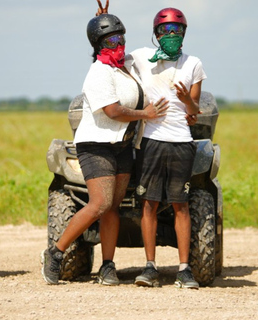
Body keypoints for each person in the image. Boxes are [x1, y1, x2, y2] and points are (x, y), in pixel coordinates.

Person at [41, 11, 169, 286]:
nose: (117, 44)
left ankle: (107, 266)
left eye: (119, 37)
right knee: (99, 203)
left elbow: (146, 57)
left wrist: (105, 19)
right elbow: (112, 111)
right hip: (96, 145)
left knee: (113, 207)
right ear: (98, 46)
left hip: (122, 145)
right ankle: (55, 252)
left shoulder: (127, 65)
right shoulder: (98, 71)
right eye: (110, 41)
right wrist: (145, 115)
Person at [128, 7, 206, 289]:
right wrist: (101, 19)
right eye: (165, 31)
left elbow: (195, 110)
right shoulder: (139, 58)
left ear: (184, 33)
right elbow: (107, 55)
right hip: (150, 140)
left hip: (181, 141)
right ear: (156, 34)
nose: (171, 35)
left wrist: (187, 98)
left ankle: (184, 270)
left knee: (180, 205)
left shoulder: (193, 63)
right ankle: (150, 267)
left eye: (176, 30)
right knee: (149, 203)